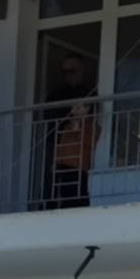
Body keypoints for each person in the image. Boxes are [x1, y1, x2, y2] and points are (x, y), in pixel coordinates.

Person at [39, 54, 99, 210]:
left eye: (72, 71)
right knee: (55, 184)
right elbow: (48, 114)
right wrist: (70, 118)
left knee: (77, 190)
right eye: (64, 72)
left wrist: (78, 125)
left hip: (78, 160)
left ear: (81, 71)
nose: (67, 75)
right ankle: (49, 209)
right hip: (58, 149)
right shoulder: (56, 93)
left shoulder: (89, 92)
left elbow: (91, 139)